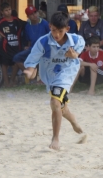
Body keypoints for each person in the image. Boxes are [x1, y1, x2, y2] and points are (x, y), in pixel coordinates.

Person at [23, 11, 87, 151]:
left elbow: (78, 54)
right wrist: (30, 71)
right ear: (50, 26)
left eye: (60, 31)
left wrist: (74, 55)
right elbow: (32, 61)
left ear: (67, 29)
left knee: (54, 102)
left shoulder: (76, 40)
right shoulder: (43, 42)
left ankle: (55, 139)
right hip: (50, 76)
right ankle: (74, 122)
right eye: (53, 30)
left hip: (66, 73)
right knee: (61, 107)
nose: (56, 34)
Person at [0, 2, 25, 87]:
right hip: (5, 47)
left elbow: (25, 25)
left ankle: (12, 80)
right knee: (4, 64)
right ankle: (6, 83)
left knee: (16, 63)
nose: (8, 12)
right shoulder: (0, 21)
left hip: (16, 46)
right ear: (2, 12)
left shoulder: (16, 20)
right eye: (6, 10)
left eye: (9, 9)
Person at [13, 5, 50, 76]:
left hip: (44, 49)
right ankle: (30, 73)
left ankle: (34, 75)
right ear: (28, 16)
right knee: (16, 58)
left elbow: (51, 36)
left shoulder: (44, 23)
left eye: (35, 12)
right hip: (33, 49)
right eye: (31, 14)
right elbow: (29, 40)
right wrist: (28, 46)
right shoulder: (28, 26)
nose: (34, 15)